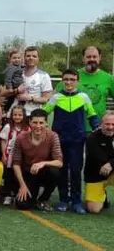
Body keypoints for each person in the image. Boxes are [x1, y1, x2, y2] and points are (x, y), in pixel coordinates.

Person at [43, 69, 100, 213]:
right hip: (59, 140)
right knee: (62, 170)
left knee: (75, 170)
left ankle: (76, 201)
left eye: (72, 79)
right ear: (62, 80)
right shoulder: (56, 97)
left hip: (77, 141)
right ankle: (63, 200)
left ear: (77, 81)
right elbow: (44, 113)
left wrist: (99, 131)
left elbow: (92, 115)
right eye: (66, 79)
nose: (69, 82)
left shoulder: (83, 97)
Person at [12, 109, 62, 212]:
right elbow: (16, 163)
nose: (38, 126)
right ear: (29, 122)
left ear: (46, 123)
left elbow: (59, 162)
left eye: (41, 123)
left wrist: (42, 163)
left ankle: (43, 199)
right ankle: (31, 196)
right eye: (35, 122)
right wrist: (22, 185)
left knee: (55, 172)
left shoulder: (53, 136)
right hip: (29, 173)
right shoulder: (21, 138)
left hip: (44, 172)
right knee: (22, 205)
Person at [58, 46, 114, 129]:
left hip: (100, 128)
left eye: (94, 56)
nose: (91, 59)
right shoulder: (72, 76)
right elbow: (54, 96)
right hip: (75, 128)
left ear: (100, 58)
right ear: (83, 58)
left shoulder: (108, 78)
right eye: (88, 57)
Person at [83, 111, 114, 213]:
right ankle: (103, 196)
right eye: (107, 124)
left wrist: (111, 163)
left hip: (111, 170)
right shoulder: (92, 138)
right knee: (93, 209)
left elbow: (108, 164)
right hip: (96, 175)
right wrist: (108, 163)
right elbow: (101, 159)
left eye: (113, 124)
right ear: (101, 124)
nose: (110, 127)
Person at [0, 104, 28, 205]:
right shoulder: (7, 127)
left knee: (18, 176)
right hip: (9, 156)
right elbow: (3, 141)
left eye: (20, 115)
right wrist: (3, 154)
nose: (17, 117)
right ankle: (7, 195)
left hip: (21, 158)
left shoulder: (27, 129)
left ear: (24, 116)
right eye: (15, 115)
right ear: (11, 116)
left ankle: (16, 194)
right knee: (8, 175)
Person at [10, 46, 53, 115]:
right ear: (24, 58)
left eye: (34, 56)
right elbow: (5, 92)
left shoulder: (44, 76)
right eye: (28, 56)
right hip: (15, 115)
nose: (31, 58)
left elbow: (47, 99)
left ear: (38, 59)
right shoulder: (16, 73)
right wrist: (16, 90)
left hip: (33, 116)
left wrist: (30, 98)